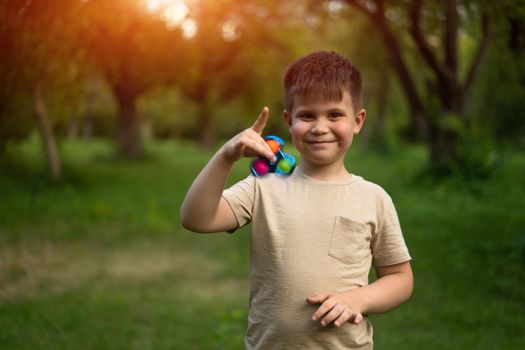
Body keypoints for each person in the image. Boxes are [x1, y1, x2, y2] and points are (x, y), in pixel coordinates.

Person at [180, 51, 413, 349]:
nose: (319, 127)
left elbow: (400, 278)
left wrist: (359, 298)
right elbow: (196, 218)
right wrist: (226, 156)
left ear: (358, 120)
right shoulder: (263, 187)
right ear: (289, 121)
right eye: (307, 115)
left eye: (334, 114)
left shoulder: (373, 198)